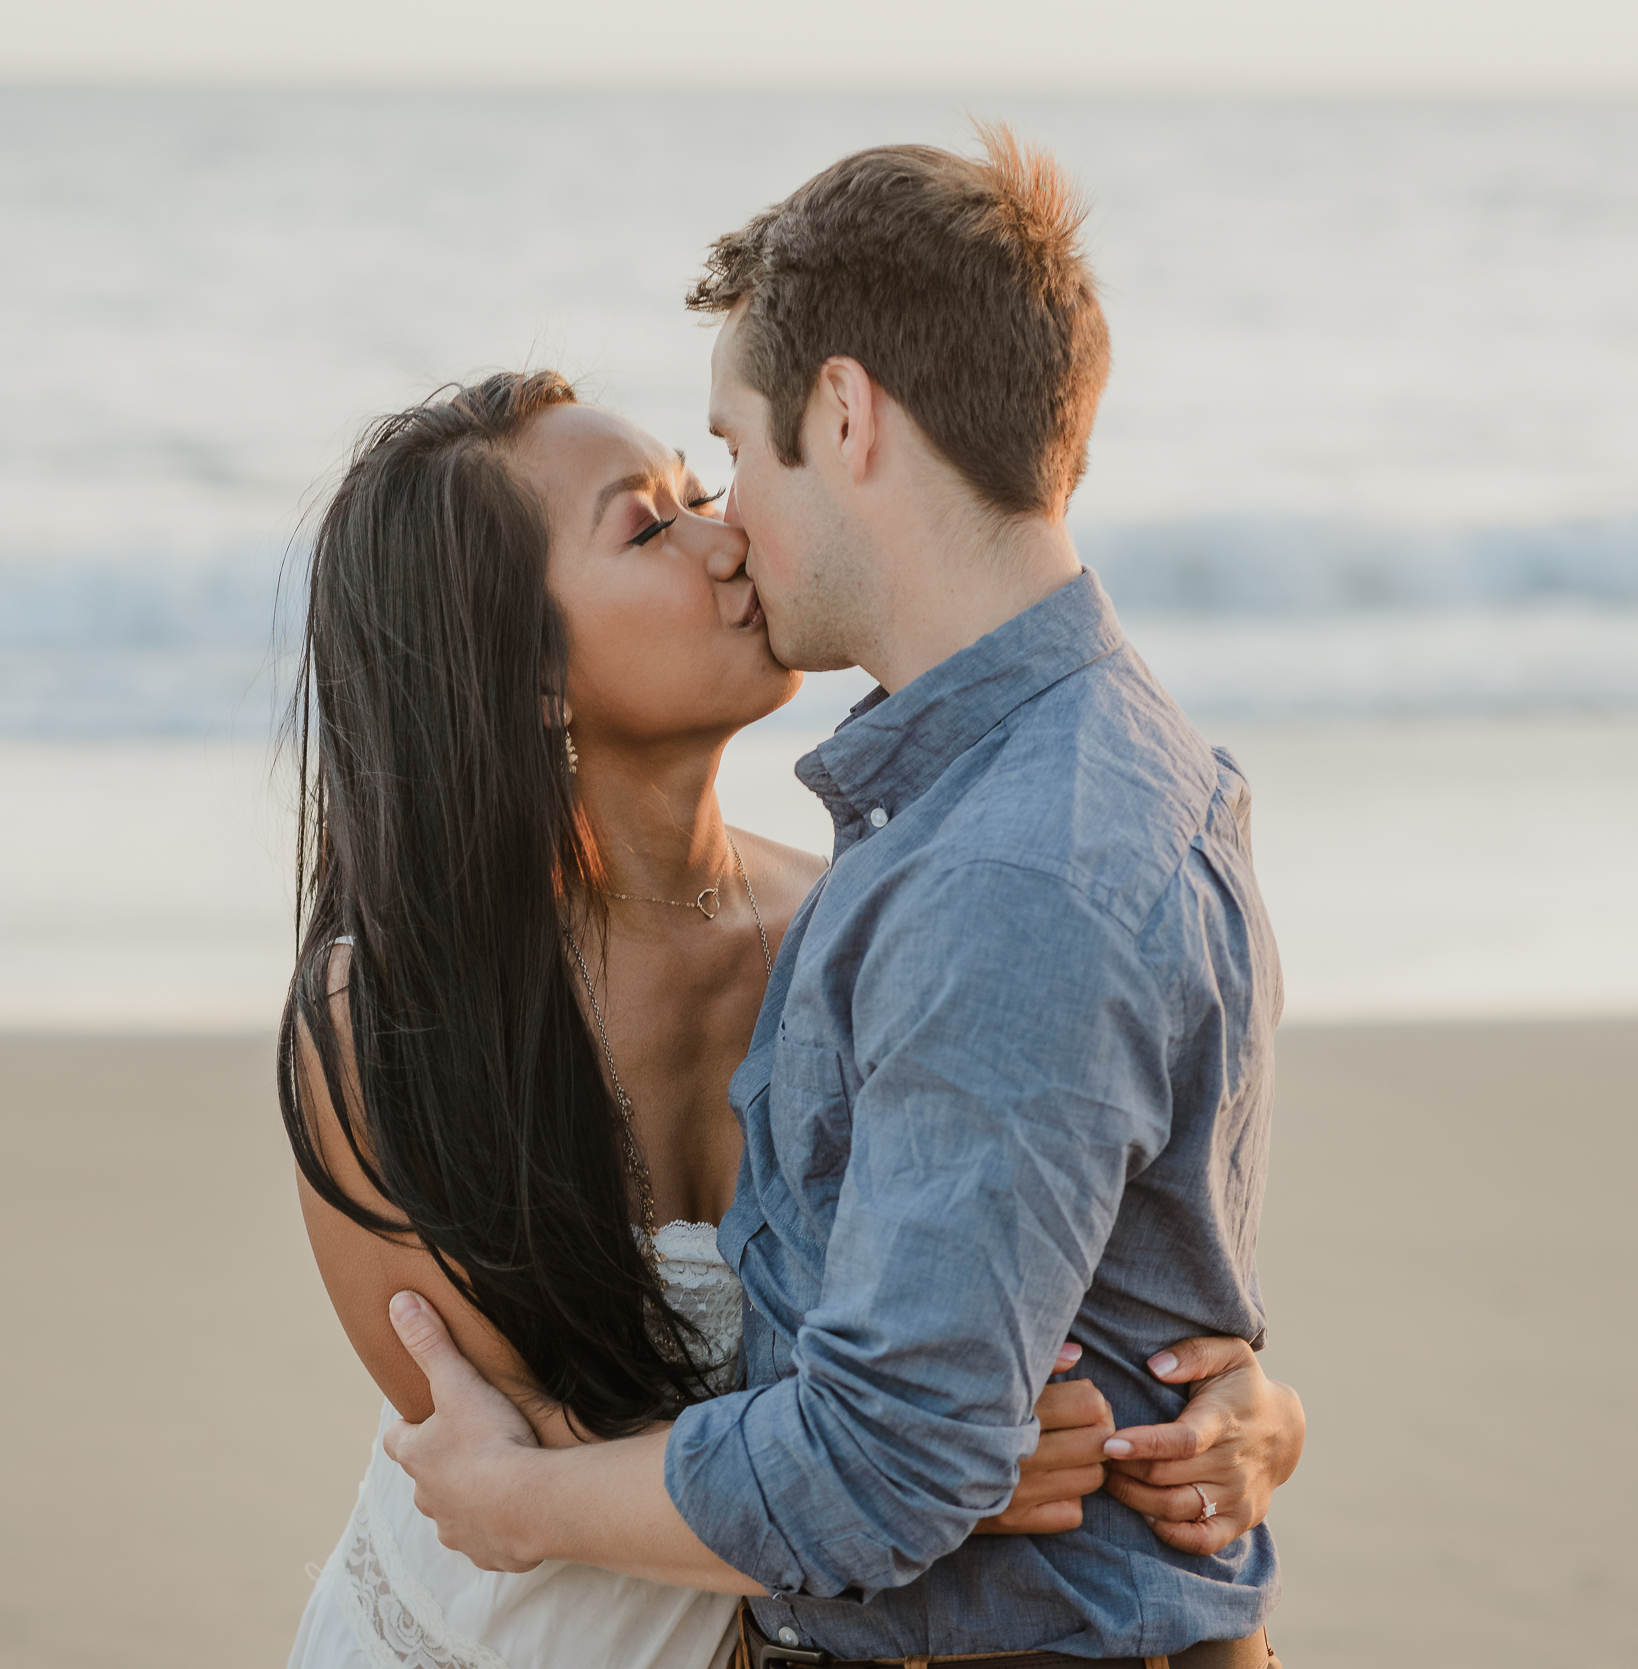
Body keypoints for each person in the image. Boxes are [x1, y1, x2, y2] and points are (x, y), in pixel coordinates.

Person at [377, 126, 1293, 1668]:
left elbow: (888, 1463)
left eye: (732, 448)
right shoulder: (1053, 776)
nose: (728, 515)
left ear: (846, 414)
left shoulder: (1011, 864)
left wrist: (519, 1505)